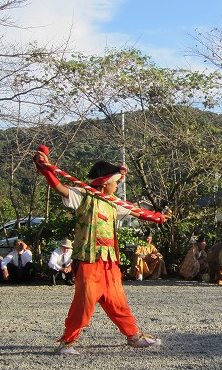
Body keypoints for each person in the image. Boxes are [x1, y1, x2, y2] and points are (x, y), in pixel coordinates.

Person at [34, 147, 167, 355]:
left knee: (118, 300)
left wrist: (155, 216)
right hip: (89, 261)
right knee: (84, 302)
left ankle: (132, 335)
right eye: (115, 182)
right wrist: (45, 169)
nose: (117, 185)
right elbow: (60, 188)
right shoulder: (84, 197)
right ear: (105, 183)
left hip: (110, 261)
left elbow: (136, 211)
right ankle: (67, 341)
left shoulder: (113, 203)